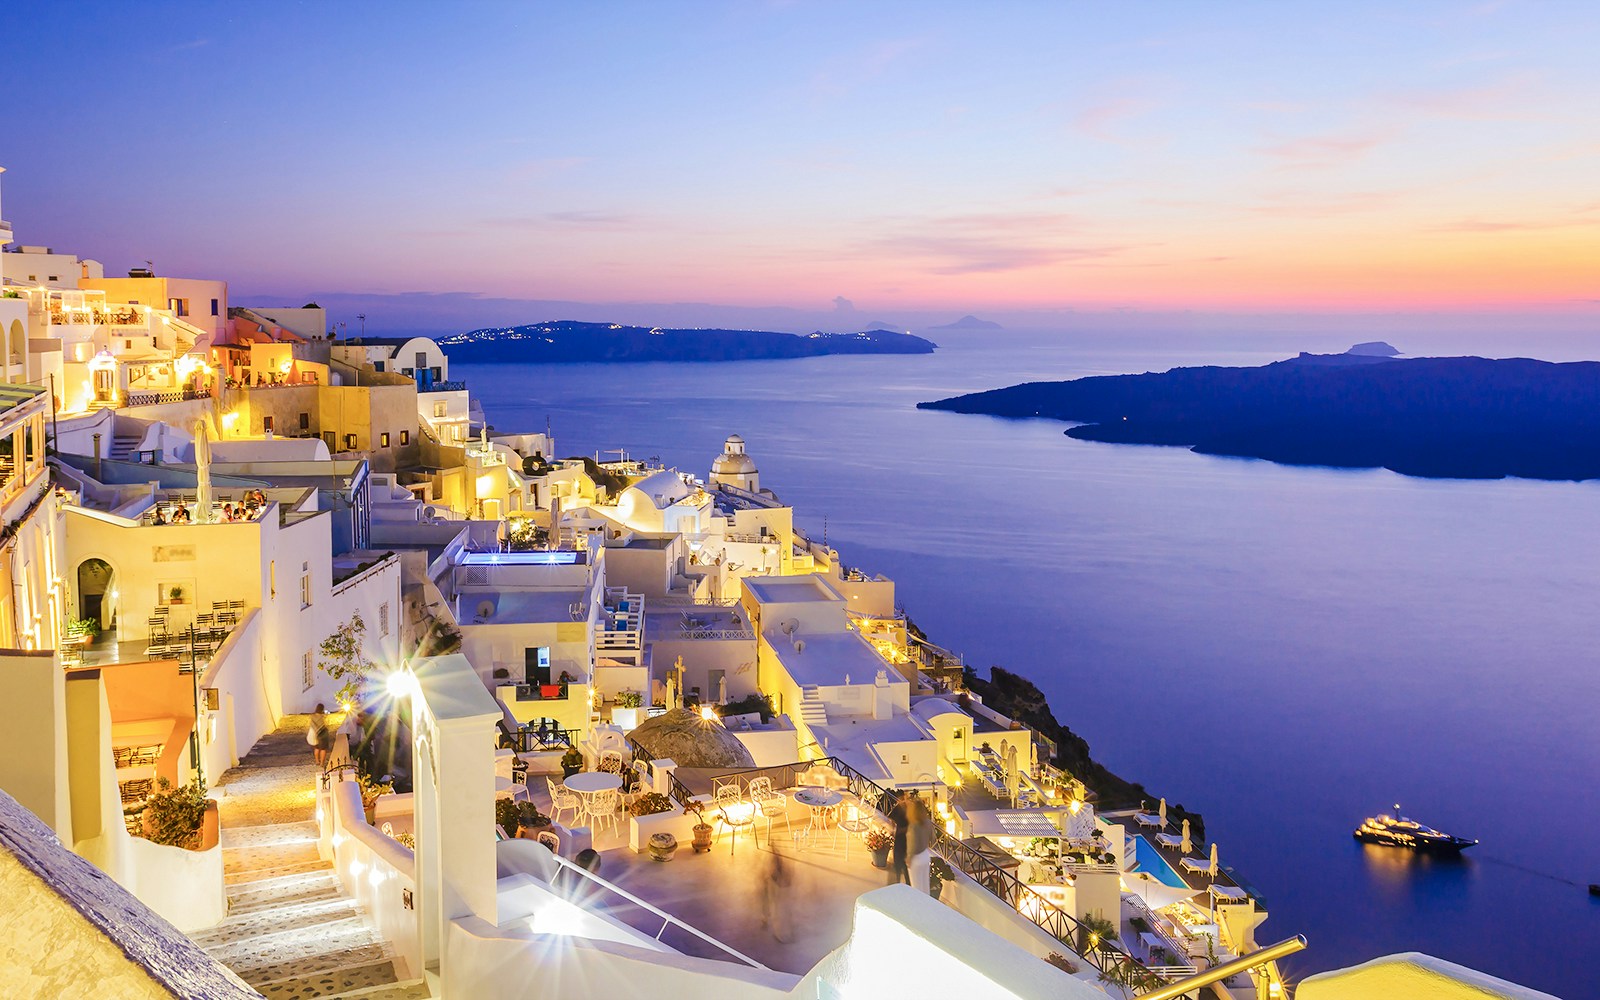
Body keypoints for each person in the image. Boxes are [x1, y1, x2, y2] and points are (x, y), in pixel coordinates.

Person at [759, 847, 793, 942]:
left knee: (777, 907)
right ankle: (766, 919)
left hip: (778, 886)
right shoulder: (778, 867)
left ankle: (768, 921)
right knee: (777, 906)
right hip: (779, 885)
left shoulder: (775, 869)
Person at [906, 793, 934, 893]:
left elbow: (913, 845)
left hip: (916, 858)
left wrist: (909, 858)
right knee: (925, 887)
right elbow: (932, 838)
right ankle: (927, 906)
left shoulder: (913, 826)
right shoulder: (928, 822)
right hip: (925, 855)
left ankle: (918, 907)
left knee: (916, 888)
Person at [887, 790, 911, 886]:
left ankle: (907, 882)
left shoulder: (908, 808)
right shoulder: (898, 808)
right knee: (898, 858)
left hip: (906, 837)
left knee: (904, 860)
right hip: (899, 836)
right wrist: (893, 828)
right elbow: (891, 817)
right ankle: (897, 881)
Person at [308, 704, 330, 769]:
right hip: (323, 733)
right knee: (323, 749)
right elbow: (326, 724)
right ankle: (322, 763)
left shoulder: (312, 716)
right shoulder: (323, 717)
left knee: (316, 748)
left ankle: (317, 761)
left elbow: (311, 725)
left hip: (315, 733)